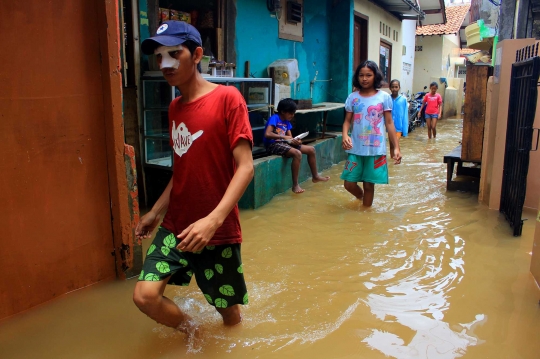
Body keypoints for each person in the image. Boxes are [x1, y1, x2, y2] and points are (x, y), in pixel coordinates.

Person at [133, 21, 254, 335]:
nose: (165, 64)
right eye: (159, 57)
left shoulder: (228, 99)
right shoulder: (175, 108)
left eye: (174, 53)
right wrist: (156, 212)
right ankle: (194, 335)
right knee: (145, 297)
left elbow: (246, 167)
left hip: (217, 231)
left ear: (197, 54)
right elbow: (181, 169)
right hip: (176, 224)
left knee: (229, 317)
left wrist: (212, 221)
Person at [341, 60, 402, 207]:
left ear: (375, 76)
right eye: (361, 75)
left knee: (369, 185)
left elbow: (389, 123)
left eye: (368, 75)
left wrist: (396, 147)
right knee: (348, 183)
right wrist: (345, 135)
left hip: (375, 149)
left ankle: (365, 215)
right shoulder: (353, 97)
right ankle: (360, 197)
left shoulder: (384, 97)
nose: (364, 78)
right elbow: (347, 121)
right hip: (355, 148)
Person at [264, 98, 330, 193]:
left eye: (293, 113)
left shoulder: (287, 122)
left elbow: (290, 138)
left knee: (311, 149)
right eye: (291, 113)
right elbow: (267, 134)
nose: (292, 115)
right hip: (273, 144)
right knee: (297, 153)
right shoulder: (275, 118)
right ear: (283, 111)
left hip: (283, 144)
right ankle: (295, 185)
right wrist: (283, 137)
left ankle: (315, 176)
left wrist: (295, 141)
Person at [389, 79, 408, 158]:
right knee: (391, 145)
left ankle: (398, 158)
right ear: (390, 88)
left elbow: (405, 115)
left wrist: (405, 131)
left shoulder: (403, 100)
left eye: (396, 87)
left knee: (395, 142)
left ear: (399, 88)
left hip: (398, 127)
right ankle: (392, 160)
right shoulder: (387, 99)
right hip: (390, 127)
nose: (394, 89)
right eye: (392, 87)